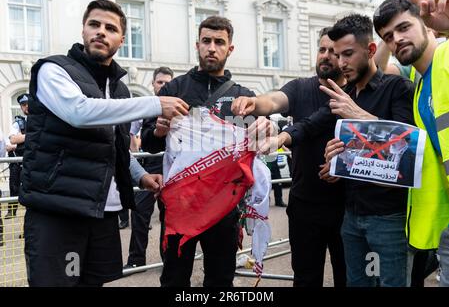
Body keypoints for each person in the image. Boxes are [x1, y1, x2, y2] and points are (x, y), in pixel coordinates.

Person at [19, 0, 189, 287]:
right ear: (83, 30)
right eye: (94, 24)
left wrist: (142, 176)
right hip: (60, 211)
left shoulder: (120, 88)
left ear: (121, 40)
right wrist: (154, 104)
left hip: (103, 213)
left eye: (110, 28)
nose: (101, 32)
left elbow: (117, 146)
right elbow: (80, 112)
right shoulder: (54, 70)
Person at [289, 14, 414, 286]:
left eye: (347, 54)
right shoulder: (348, 95)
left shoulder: (398, 88)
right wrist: (338, 161)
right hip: (351, 217)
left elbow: (408, 149)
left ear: (370, 50)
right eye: (336, 54)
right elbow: (316, 128)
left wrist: (357, 115)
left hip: (388, 219)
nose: (340, 63)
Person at [141, 16, 256, 287]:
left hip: (224, 207)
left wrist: (264, 132)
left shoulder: (244, 96)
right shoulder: (174, 89)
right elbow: (148, 142)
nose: (211, 48)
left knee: (220, 280)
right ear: (197, 45)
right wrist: (158, 131)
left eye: (219, 42)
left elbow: (257, 149)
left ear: (230, 49)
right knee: (174, 278)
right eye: (206, 41)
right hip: (181, 205)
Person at [231, 27, 347, 287]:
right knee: (305, 278)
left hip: (347, 206)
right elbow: (274, 100)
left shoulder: (356, 93)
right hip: (304, 204)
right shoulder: (301, 87)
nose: (326, 56)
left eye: (334, 52)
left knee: (348, 277)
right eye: (322, 49)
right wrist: (253, 102)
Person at [375, 0, 449, 287]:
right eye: (388, 36)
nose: (397, 39)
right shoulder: (418, 89)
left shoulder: (446, 57)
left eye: (404, 27)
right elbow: (375, 70)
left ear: (426, 24)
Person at [123, 66, 174, 272]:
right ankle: (136, 260)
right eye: (160, 82)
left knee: (169, 217)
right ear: (153, 84)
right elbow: (128, 135)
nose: (163, 86)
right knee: (139, 214)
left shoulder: (180, 108)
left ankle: (168, 260)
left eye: (167, 83)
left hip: (172, 169)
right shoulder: (144, 108)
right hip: (148, 168)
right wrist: (134, 155)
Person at [5, 93, 29, 219]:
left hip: (32, 162)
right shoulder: (18, 123)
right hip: (18, 162)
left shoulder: (40, 120)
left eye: (28, 104)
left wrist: (22, 138)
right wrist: (31, 137)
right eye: (23, 105)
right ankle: (12, 211)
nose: (26, 107)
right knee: (14, 187)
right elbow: (12, 140)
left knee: (30, 192)